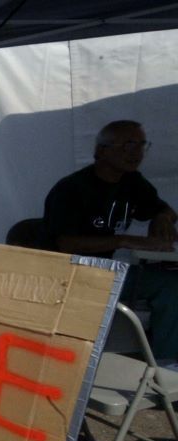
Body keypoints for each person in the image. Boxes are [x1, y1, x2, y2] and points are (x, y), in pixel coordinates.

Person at [43, 119, 178, 359]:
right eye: (128, 145)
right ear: (101, 150)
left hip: (109, 272)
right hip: (71, 275)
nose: (136, 153)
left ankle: (165, 367)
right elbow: (66, 244)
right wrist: (122, 241)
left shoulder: (132, 182)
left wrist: (163, 217)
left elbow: (162, 209)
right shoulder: (72, 188)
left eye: (141, 145)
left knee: (171, 284)